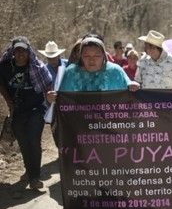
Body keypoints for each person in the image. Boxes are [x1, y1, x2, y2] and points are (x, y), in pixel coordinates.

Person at [0, 36, 52, 189]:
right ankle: (30, 173)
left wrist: (51, 108)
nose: (21, 53)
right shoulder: (4, 68)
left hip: (37, 109)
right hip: (17, 112)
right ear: (13, 52)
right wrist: (8, 99)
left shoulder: (38, 68)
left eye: (24, 50)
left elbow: (48, 87)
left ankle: (35, 177)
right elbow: (1, 84)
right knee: (23, 144)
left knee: (34, 141)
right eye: (17, 50)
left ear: (29, 52)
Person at [46, 34, 140, 93]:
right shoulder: (71, 72)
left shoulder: (115, 71)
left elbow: (128, 86)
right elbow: (61, 98)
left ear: (104, 55)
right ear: (80, 56)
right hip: (78, 123)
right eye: (86, 56)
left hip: (109, 123)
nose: (91, 60)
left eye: (97, 56)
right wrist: (53, 98)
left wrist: (132, 86)